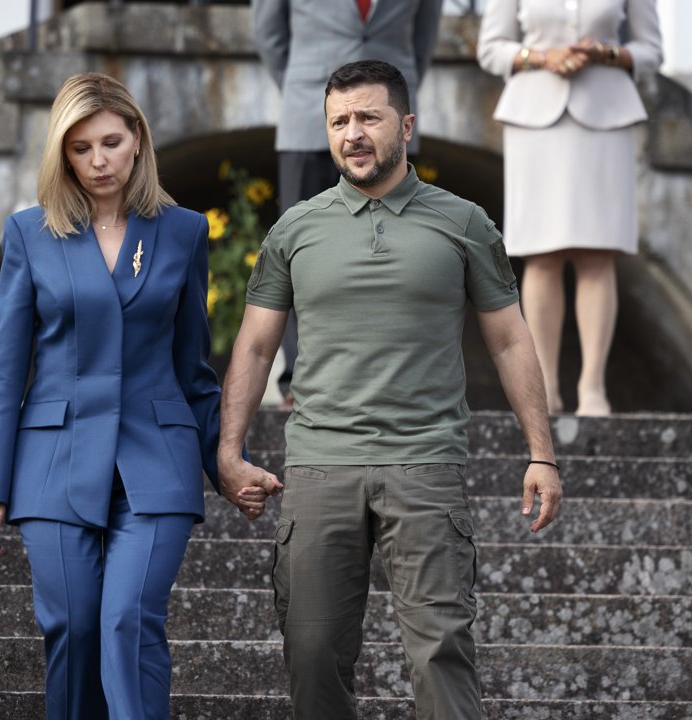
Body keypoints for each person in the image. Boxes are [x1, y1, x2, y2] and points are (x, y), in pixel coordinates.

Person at [216, 60, 563, 720]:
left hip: (426, 465)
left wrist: (541, 453)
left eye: (368, 118)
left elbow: (512, 340)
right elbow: (256, 345)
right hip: (320, 465)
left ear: (406, 125)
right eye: (339, 121)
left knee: (440, 655)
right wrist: (229, 451)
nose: (353, 133)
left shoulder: (463, 223)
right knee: (312, 651)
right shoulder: (296, 228)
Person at [0, 72, 253, 720]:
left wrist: (224, 462)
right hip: (53, 459)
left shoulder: (182, 231)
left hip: (156, 457)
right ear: (61, 154)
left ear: (137, 142)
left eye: (111, 142)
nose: (98, 161)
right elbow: (6, 373)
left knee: (127, 622)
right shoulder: (28, 235)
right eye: (80, 148)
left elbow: (194, 368)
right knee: (73, 627)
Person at [252, 0, 443, 407]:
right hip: (309, 113)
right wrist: (313, 95)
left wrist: (393, 104)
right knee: (299, 252)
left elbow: (424, 39)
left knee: (396, 248)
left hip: (389, 125)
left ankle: (385, 378)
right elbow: (270, 35)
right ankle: (297, 381)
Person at [478, 0, 663, 416]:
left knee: (599, 254)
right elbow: (491, 49)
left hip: (607, 117)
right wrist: (541, 56)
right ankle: (546, 387)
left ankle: (593, 387)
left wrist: (606, 54)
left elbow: (652, 51)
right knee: (542, 255)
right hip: (533, 122)